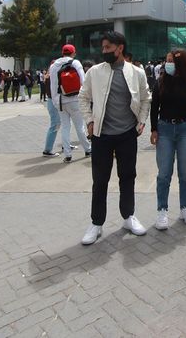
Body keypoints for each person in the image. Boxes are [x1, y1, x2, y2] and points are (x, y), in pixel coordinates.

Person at [78, 32, 151, 245]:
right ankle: (96, 223)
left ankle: (128, 217)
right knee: (100, 180)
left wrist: (142, 121)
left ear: (120, 48)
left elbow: (146, 98)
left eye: (108, 47)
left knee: (127, 177)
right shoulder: (95, 72)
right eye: (103, 47)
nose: (104, 51)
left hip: (127, 134)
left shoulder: (136, 72)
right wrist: (89, 121)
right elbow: (83, 97)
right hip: (102, 135)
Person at [149, 49, 186, 230]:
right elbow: (154, 107)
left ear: (181, 63)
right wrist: (154, 129)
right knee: (164, 173)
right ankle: (162, 210)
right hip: (164, 129)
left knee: (185, 173)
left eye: (171, 61)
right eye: (167, 60)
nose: (168, 64)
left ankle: (185, 208)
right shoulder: (160, 82)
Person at [49, 45, 93, 162]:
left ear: (62, 53)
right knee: (80, 127)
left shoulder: (53, 66)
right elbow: (83, 81)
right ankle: (88, 149)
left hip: (60, 101)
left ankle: (67, 154)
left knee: (65, 127)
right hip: (75, 100)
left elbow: (53, 85)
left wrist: (55, 101)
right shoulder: (76, 63)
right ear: (73, 53)